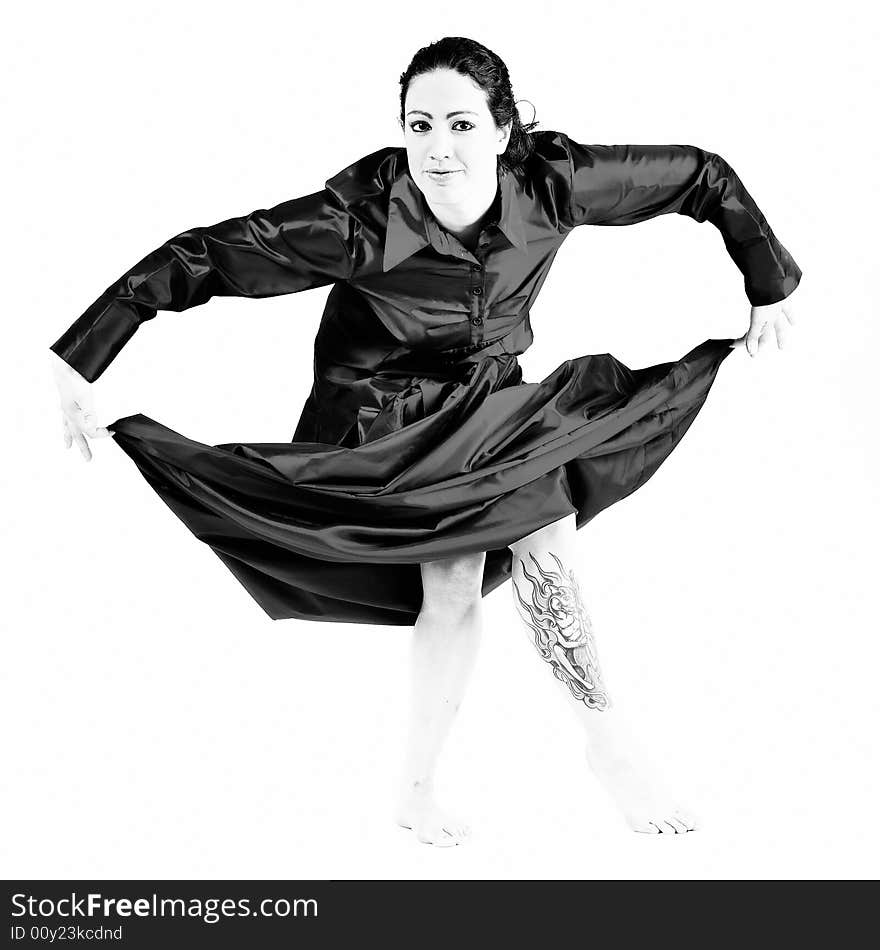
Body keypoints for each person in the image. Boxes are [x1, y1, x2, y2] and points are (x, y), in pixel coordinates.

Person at [50, 36, 801, 847]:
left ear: (506, 131)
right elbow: (204, 257)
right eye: (420, 125)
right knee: (450, 580)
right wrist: (80, 357)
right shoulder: (355, 221)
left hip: (487, 391)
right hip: (381, 409)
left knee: (544, 530)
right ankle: (419, 786)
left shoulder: (554, 184)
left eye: (462, 125)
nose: (439, 149)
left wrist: (768, 282)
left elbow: (702, 175)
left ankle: (608, 744)